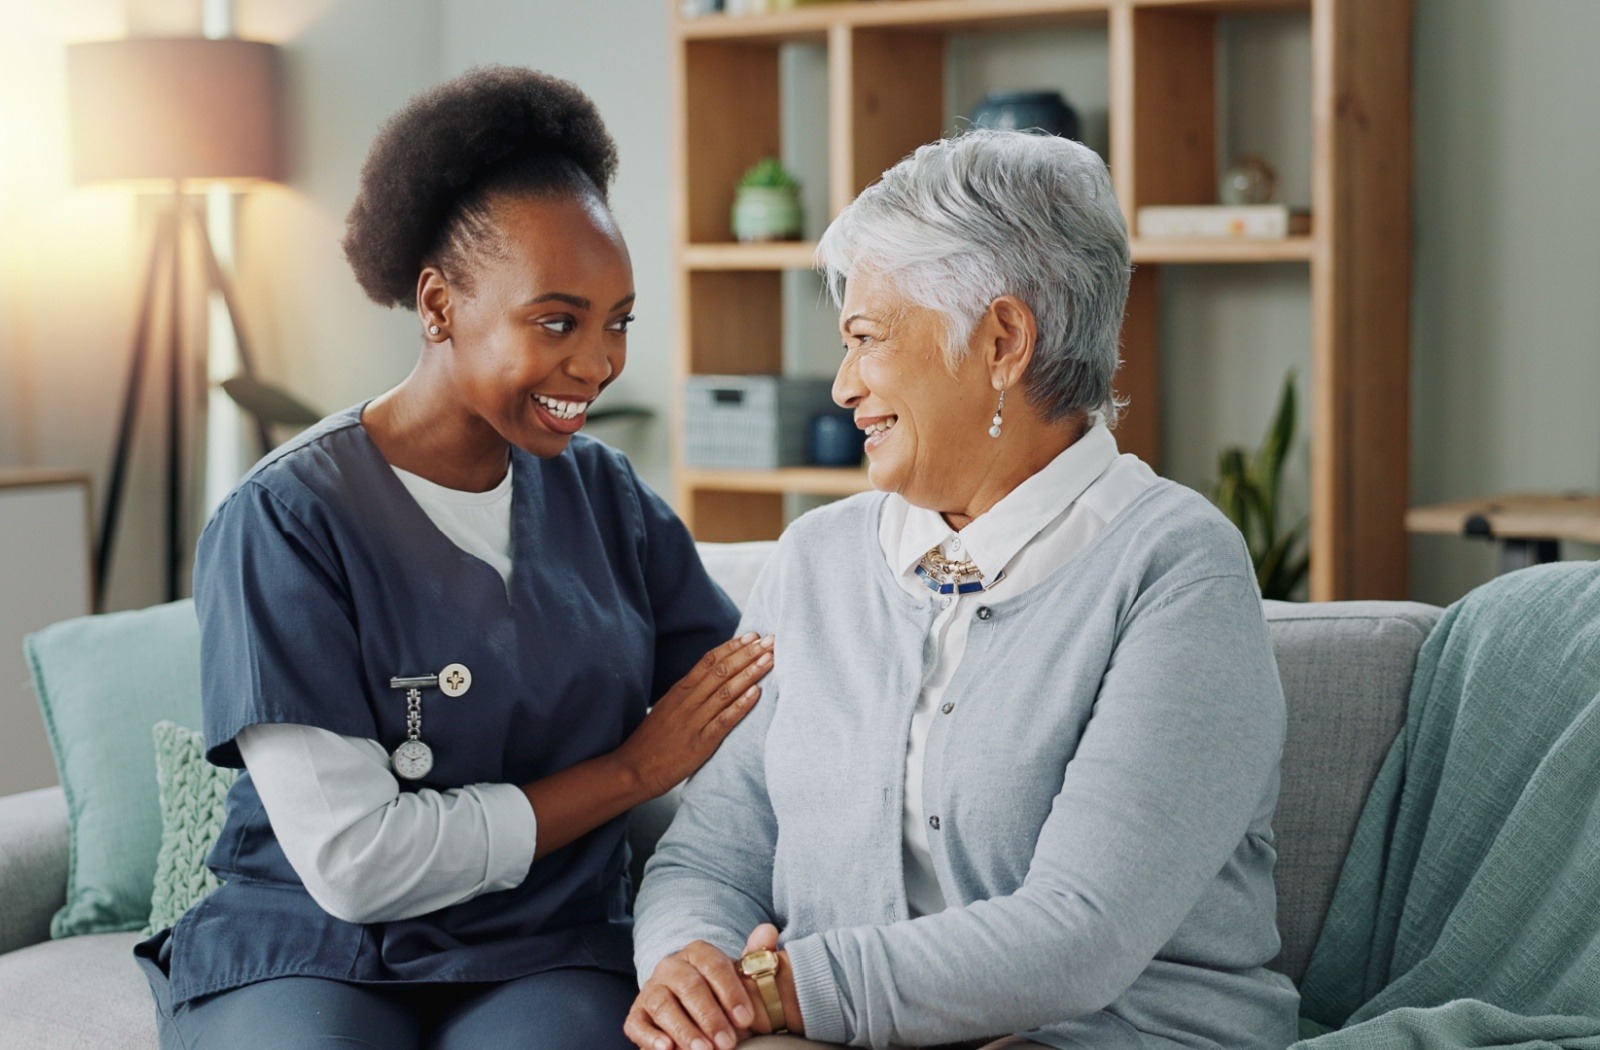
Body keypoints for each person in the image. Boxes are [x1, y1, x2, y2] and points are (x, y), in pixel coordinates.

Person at [133, 67, 771, 1049]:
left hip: (545, 946)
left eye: (617, 322)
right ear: (438, 304)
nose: (598, 362)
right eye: (557, 321)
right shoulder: (288, 520)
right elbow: (355, 864)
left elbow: (752, 716)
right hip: (313, 939)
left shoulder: (604, 499)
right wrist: (629, 771)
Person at [628, 129, 1301, 1050]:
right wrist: (691, 970)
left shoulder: (1176, 571)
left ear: (1001, 341)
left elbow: (1079, 935)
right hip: (832, 1030)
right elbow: (712, 853)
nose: (843, 385)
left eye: (867, 339)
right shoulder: (817, 560)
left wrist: (783, 989)